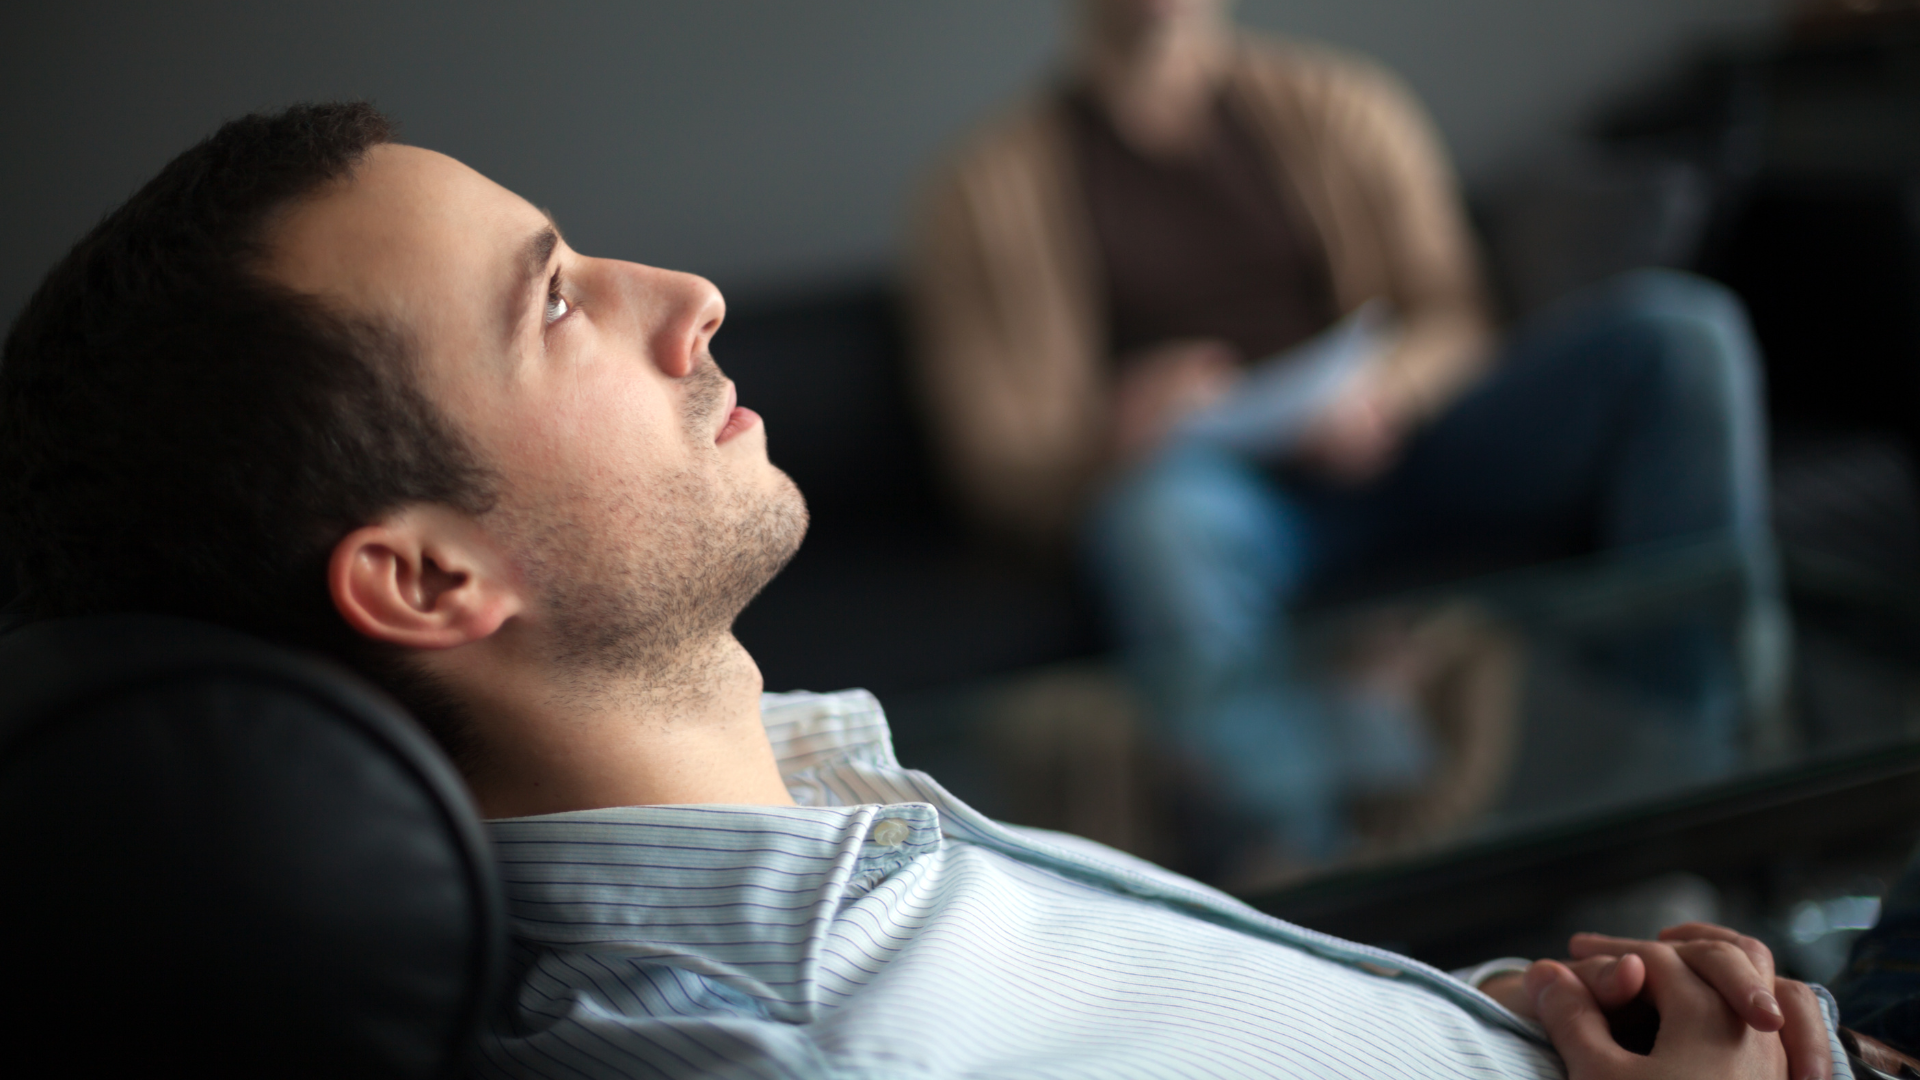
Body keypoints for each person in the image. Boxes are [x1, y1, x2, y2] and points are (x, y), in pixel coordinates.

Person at [0, 103, 1839, 1080]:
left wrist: (1453, 1019)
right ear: (423, 575)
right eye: (553, 298)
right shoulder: (808, 1044)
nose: (689, 294)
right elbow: (1025, 445)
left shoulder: (813, 816)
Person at [909, 0, 1784, 865]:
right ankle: (1301, 869)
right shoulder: (985, 186)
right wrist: (1118, 427)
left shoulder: (1343, 103)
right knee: (1156, 520)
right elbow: (998, 464)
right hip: (1216, 489)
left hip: (1412, 443)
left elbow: (1453, 313)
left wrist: (1386, 389)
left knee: (1679, 335)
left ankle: (1700, 793)